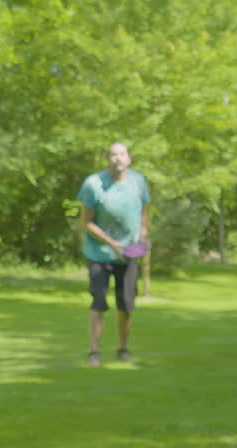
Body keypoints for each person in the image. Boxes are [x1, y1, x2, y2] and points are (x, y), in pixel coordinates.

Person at [77, 142, 150, 366]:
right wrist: (113, 245)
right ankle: (94, 352)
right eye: (113, 155)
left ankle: (123, 349)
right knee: (98, 302)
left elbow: (143, 214)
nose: (117, 158)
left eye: (122, 154)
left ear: (129, 158)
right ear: (107, 159)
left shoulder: (138, 182)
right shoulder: (93, 184)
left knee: (126, 305)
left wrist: (143, 238)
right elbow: (86, 223)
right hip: (99, 253)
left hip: (128, 255)